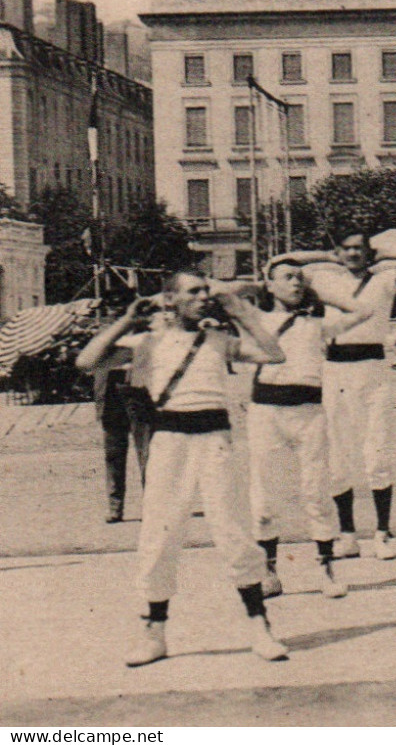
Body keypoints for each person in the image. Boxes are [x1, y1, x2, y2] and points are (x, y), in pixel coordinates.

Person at [76, 273, 290, 666]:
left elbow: (274, 355)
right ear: (171, 299)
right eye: (195, 291)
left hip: (215, 439)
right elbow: (87, 361)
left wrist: (242, 312)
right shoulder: (148, 342)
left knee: (234, 532)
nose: (204, 296)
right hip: (170, 441)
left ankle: (260, 627)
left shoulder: (218, 340)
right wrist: (127, 320)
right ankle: (155, 633)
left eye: (206, 290)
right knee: (159, 535)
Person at [282, 232, 396, 561]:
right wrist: (326, 254)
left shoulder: (385, 281)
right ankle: (347, 534)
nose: (352, 254)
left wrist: (383, 252)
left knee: (376, 453)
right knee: (336, 459)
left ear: (368, 253)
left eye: (358, 249)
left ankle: (382, 534)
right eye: (346, 249)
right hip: (335, 371)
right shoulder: (323, 278)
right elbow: (283, 262)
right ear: (338, 252)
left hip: (373, 370)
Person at [250, 259, 352, 599]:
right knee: (265, 495)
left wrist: (318, 291)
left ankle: (326, 570)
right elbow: (224, 295)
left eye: (300, 278)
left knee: (316, 490)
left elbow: (362, 310)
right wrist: (258, 282)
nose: (296, 282)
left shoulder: (317, 324)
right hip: (267, 413)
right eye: (287, 277)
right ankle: (269, 571)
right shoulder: (256, 320)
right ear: (268, 284)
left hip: (309, 412)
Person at [94, 362, 153, 524]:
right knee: (113, 452)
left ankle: (152, 506)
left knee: (146, 450)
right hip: (108, 385)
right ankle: (115, 508)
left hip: (137, 384)